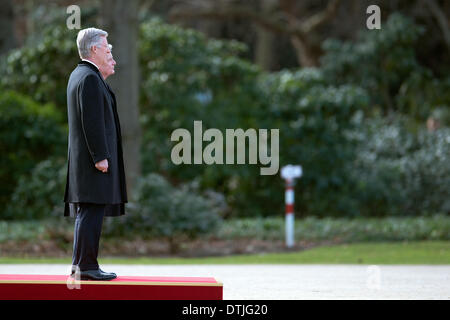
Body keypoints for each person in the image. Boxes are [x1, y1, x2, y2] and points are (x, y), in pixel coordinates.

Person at [64, 27, 127, 280]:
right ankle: (86, 267)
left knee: (88, 211)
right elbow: (91, 121)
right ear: (93, 49)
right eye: (106, 45)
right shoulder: (88, 77)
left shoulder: (82, 74)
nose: (109, 49)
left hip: (85, 161)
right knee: (90, 211)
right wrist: (100, 156)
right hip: (92, 161)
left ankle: (81, 265)